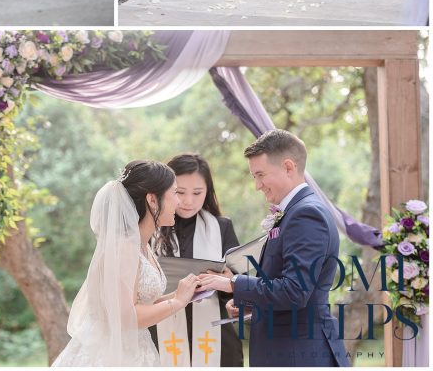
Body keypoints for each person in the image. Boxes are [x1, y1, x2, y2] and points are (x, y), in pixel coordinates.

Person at [197, 130, 349, 366]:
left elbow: (295, 291)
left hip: (298, 353)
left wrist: (232, 283)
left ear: (288, 167)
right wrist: (249, 304)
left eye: (260, 174)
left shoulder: (306, 214)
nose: (257, 185)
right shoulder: (294, 211)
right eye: (253, 176)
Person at [52, 160, 201, 367]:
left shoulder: (142, 245)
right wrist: (177, 303)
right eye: (175, 193)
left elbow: (139, 305)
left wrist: (182, 294)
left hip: (135, 348)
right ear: (152, 200)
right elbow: (126, 317)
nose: (179, 202)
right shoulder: (124, 248)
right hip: (113, 355)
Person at [152, 154, 243, 366]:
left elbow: (237, 280)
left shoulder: (221, 227)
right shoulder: (150, 230)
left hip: (215, 333)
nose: (188, 201)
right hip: (161, 330)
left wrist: (228, 280)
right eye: (180, 192)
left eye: (197, 192)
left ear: (208, 192)